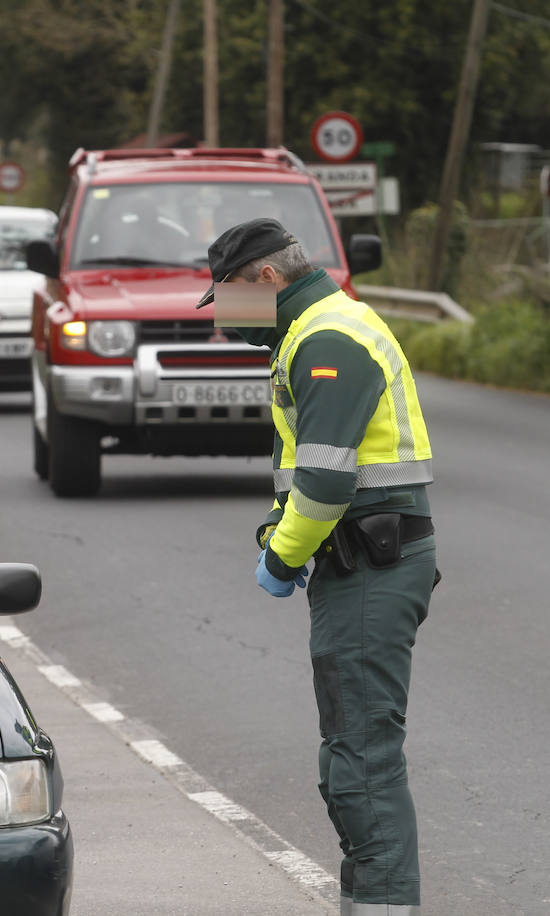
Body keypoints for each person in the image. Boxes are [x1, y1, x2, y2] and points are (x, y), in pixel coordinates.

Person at [197, 218, 437, 915]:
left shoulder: (327, 339)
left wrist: (280, 554)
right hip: (359, 558)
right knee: (348, 756)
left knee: (360, 760)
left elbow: (329, 482)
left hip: (371, 562)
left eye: (228, 299)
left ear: (266, 279)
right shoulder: (313, 330)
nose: (224, 320)